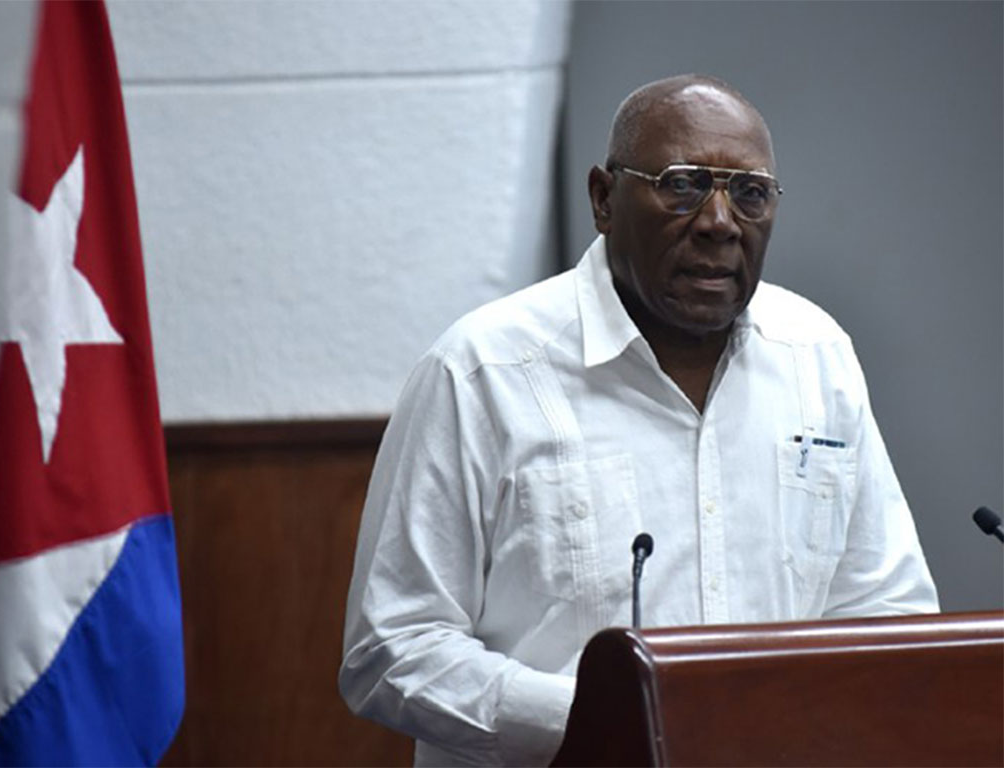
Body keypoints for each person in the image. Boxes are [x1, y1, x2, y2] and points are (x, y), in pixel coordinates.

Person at [338, 74, 938, 767]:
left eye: (750, 193)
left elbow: (886, 612)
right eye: (683, 185)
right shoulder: (484, 372)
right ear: (603, 198)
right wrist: (613, 723)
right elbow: (393, 649)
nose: (719, 222)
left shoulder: (815, 354)